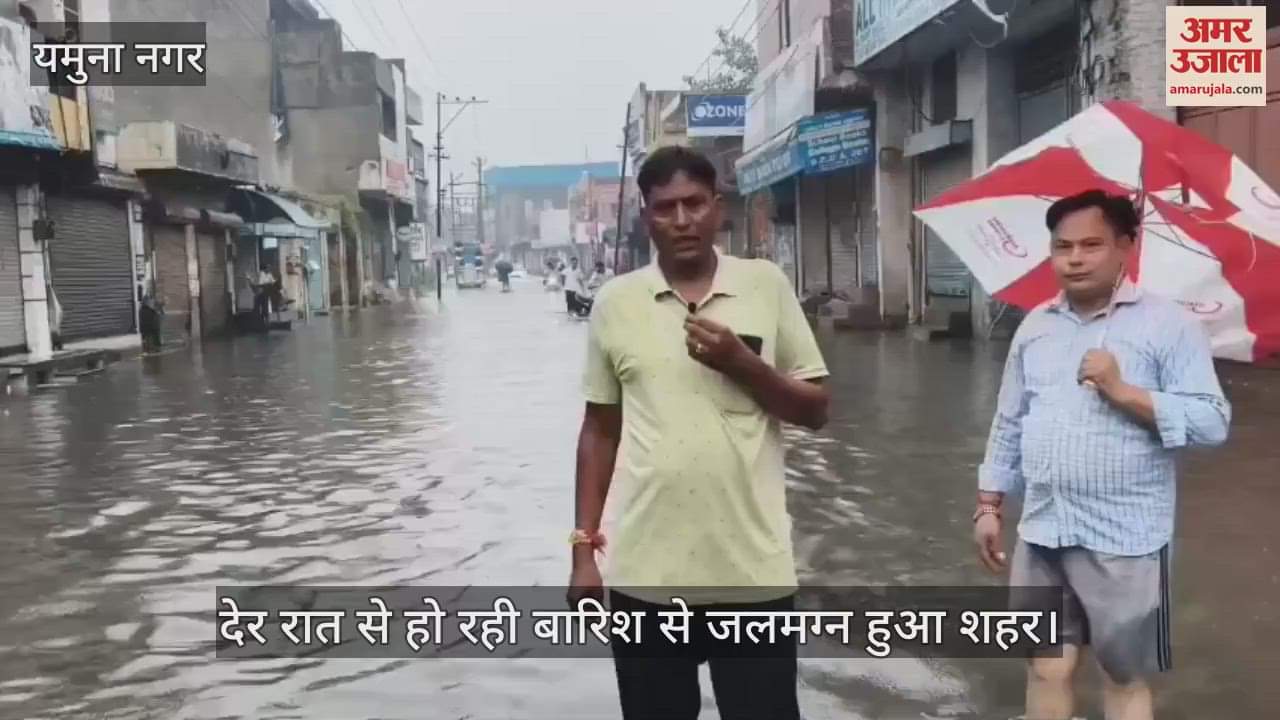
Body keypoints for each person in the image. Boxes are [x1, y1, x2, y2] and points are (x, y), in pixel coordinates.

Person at [568, 145, 831, 720]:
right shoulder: (615, 303)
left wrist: (745, 364)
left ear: (719, 207)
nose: (682, 220)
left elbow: (816, 409)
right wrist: (583, 549)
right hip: (646, 575)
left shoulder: (765, 285)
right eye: (666, 208)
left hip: (753, 574)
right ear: (646, 216)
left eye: (694, 204)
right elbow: (599, 430)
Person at [973, 190, 1231, 720]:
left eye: (1091, 245)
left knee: (1123, 675)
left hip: (1128, 540)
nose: (1074, 258)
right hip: (1042, 531)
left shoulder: (1169, 326)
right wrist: (990, 504)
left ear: (1126, 247)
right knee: (1044, 666)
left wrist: (1123, 391)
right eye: (1062, 246)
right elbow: (1010, 420)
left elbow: (1212, 422)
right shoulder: (1036, 326)